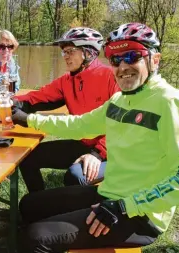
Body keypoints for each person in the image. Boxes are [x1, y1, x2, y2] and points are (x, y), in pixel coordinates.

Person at [10, 23, 179, 252]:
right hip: (109, 193)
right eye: (115, 59)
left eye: (132, 56)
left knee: (35, 238)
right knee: (29, 205)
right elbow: (79, 124)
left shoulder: (172, 103)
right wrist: (29, 119)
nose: (123, 66)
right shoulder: (119, 101)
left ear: (154, 59)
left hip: (140, 214)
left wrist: (124, 206)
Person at [13, 27, 120, 190]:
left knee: (75, 176)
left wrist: (97, 154)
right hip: (83, 142)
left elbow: (120, 125)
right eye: (64, 52)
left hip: (111, 150)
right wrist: (9, 101)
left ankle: (80, 212)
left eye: (70, 51)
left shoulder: (110, 77)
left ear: (88, 52)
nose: (65, 56)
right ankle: (38, 205)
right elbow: (38, 96)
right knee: (28, 157)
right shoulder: (67, 80)